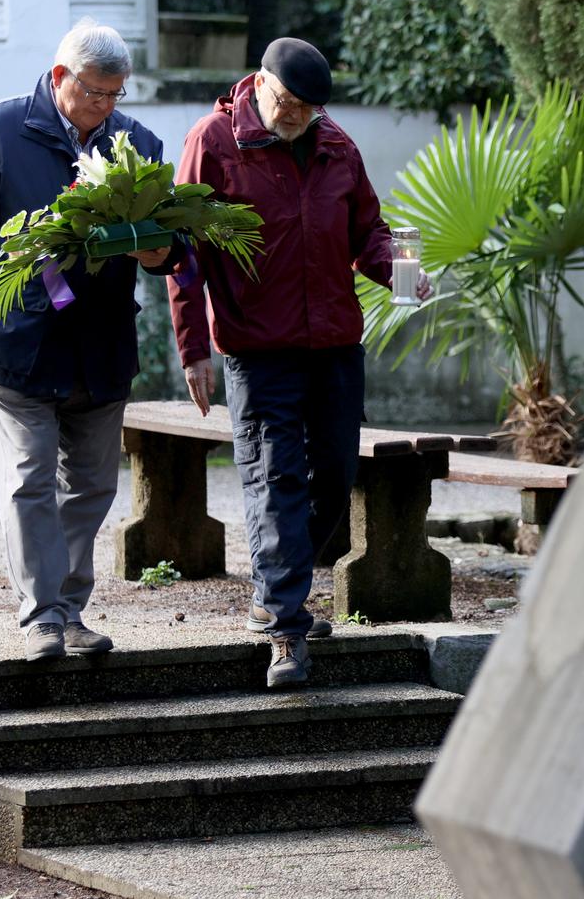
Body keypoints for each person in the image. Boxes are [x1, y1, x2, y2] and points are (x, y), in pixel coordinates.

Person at [168, 37, 429, 689]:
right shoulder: (214, 142)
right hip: (258, 350)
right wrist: (193, 348)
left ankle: (274, 589)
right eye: (287, 103)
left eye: (308, 109)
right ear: (260, 82)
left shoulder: (336, 144)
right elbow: (184, 253)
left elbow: (367, 229)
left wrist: (398, 271)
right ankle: (285, 629)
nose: (296, 118)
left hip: (335, 344)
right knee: (275, 476)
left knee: (335, 478)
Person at [0, 19, 181, 661]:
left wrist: (159, 252)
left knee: (93, 487)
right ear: (60, 76)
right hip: (15, 344)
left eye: (115, 94)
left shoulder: (137, 142)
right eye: (95, 92)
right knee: (28, 480)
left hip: (100, 348)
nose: (104, 106)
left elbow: (169, 246)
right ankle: (42, 615)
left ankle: (68, 610)